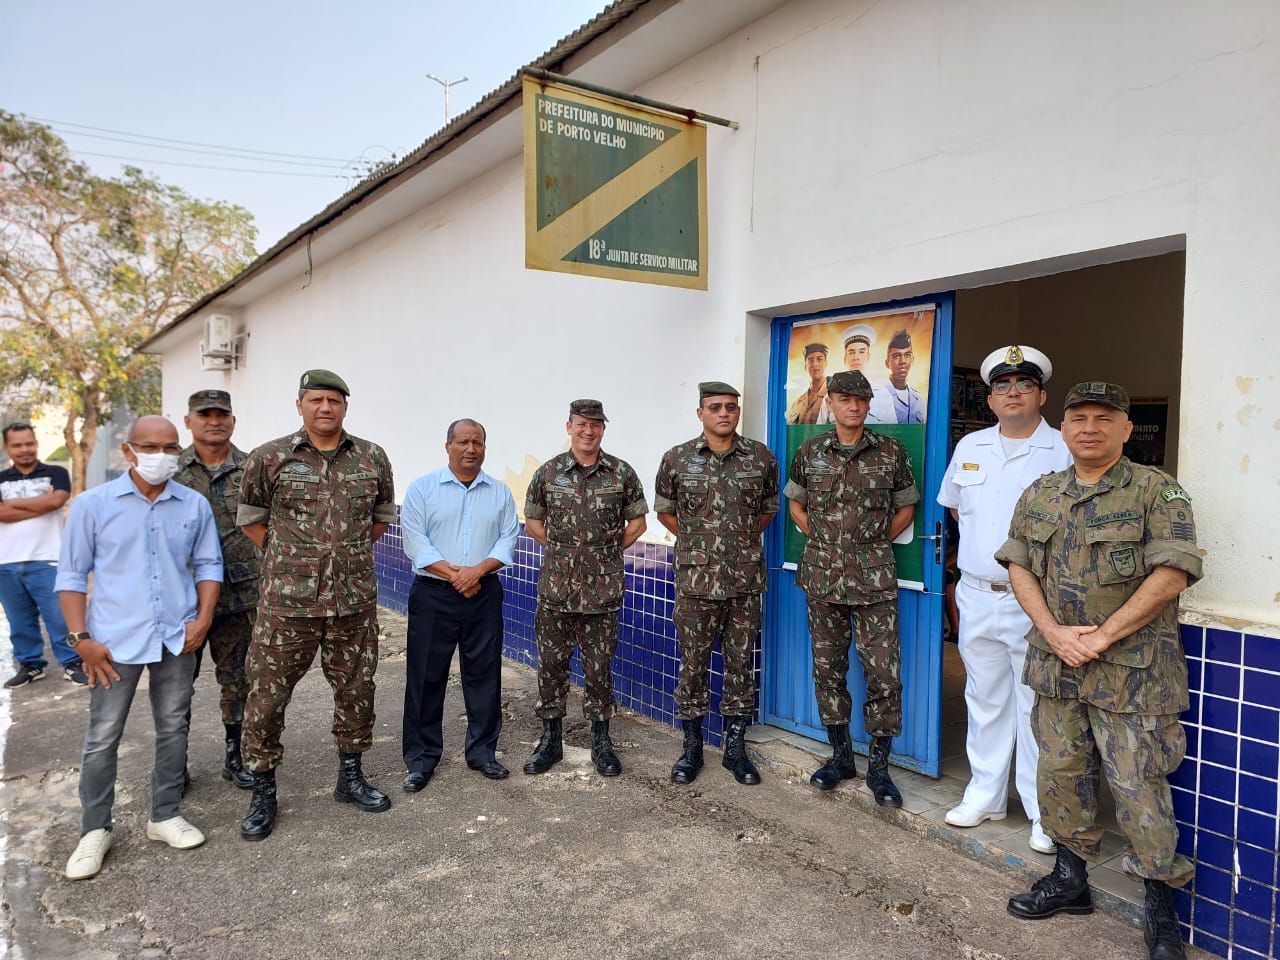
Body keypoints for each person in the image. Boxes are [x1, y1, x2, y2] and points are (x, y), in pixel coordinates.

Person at [996, 382, 1201, 960]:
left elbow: (1173, 573)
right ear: (1062, 427)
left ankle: (1160, 907)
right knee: (1061, 776)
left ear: (1126, 429)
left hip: (1133, 676)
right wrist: (1056, 633)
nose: (1090, 427)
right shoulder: (1041, 493)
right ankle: (1070, 880)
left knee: (1139, 788)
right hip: (1057, 667)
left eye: (1104, 418)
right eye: (1078, 417)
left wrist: (1103, 637)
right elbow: (1018, 564)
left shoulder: (1157, 493)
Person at [56, 416, 222, 880]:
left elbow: (209, 564)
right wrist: (80, 640)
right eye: (150, 447)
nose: (161, 456)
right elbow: (70, 577)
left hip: (176, 636)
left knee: (173, 727)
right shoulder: (93, 506)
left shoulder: (193, 505)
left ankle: (164, 815)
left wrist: (203, 618)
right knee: (103, 734)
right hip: (112, 644)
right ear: (128, 451)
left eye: (170, 447)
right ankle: (95, 829)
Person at [235, 369, 397, 841]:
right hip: (288, 606)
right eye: (316, 400)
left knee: (356, 691)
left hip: (352, 603)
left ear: (345, 407)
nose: (325, 408)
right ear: (300, 405)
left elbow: (380, 519)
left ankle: (351, 776)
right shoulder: (270, 457)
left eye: (334, 400)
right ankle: (263, 789)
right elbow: (252, 521)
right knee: (266, 697)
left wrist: (341, 559)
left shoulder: (371, 457)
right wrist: (295, 561)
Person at [936, 345, 1070, 855]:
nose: (1012, 393)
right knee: (985, 698)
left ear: (1042, 394)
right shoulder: (971, 445)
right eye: (1002, 386)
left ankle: (1042, 810)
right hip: (975, 594)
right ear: (990, 398)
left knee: (1036, 706)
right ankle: (985, 794)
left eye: (1024, 385)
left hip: (1034, 600)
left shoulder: (1062, 450)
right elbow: (956, 514)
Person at [785, 370, 918, 806]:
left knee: (883, 673)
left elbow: (906, 508)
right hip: (822, 577)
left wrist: (870, 543)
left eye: (861, 399)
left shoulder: (891, 451)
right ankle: (841, 756)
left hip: (874, 579)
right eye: (845, 399)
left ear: (867, 403)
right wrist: (824, 540)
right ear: (833, 403)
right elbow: (796, 505)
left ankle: (879, 769)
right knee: (829, 670)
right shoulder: (809, 451)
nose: (854, 407)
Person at [654, 382, 779, 786]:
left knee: (741, 666)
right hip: (696, 582)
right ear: (700, 413)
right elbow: (667, 512)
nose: (724, 413)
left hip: (744, 581)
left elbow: (767, 510)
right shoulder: (677, 459)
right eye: (715, 407)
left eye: (730, 407)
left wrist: (737, 542)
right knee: (693, 665)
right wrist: (701, 542)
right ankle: (691, 748)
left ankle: (735, 749)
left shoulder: (760, 457)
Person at [522, 399, 647, 777]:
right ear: (569, 426)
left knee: (598, 669)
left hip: (602, 593)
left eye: (595, 425)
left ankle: (601, 740)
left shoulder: (621, 473)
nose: (588, 431)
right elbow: (533, 523)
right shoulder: (548, 473)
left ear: (603, 429)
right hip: (557, 591)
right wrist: (565, 554)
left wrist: (604, 554)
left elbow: (638, 523)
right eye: (581, 424)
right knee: (552, 666)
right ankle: (550, 740)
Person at [399, 418, 518, 791]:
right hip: (434, 593)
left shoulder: (499, 493)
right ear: (447, 445)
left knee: (484, 675)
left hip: (483, 592)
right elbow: (416, 541)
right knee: (425, 676)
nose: (471, 449)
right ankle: (421, 759)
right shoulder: (422, 489)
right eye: (463, 442)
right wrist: (455, 576)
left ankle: (483, 752)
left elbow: (507, 538)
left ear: (485, 447)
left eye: (478, 442)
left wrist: (477, 572)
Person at [174, 390, 259, 790]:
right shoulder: (171, 472)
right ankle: (174, 762)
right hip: (182, 599)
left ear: (233, 420)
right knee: (175, 684)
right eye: (204, 414)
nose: (214, 421)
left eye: (221, 414)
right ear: (188, 420)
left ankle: (235, 754)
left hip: (242, 595)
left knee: (239, 680)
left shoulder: (253, 468)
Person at [0, 423, 84, 687]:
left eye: (29, 443)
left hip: (48, 558)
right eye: (17, 445)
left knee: (60, 618)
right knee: (19, 620)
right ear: (7, 447)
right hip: (6, 561)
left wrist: (11, 505)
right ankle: (31, 665)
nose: (25, 449)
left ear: (36, 443)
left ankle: (72, 663)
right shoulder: (1, 478)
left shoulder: (56, 473)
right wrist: (41, 504)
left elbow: (56, 501)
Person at [868, 329, 925, 424]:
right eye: (896, 356)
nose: (903, 361)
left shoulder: (919, 400)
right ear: (887, 363)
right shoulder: (878, 396)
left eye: (907, 355)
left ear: (913, 360)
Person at [785, 343, 830, 425]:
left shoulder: (834, 397)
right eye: (810, 360)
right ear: (805, 366)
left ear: (826, 363)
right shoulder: (797, 403)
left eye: (819, 359)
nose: (815, 364)